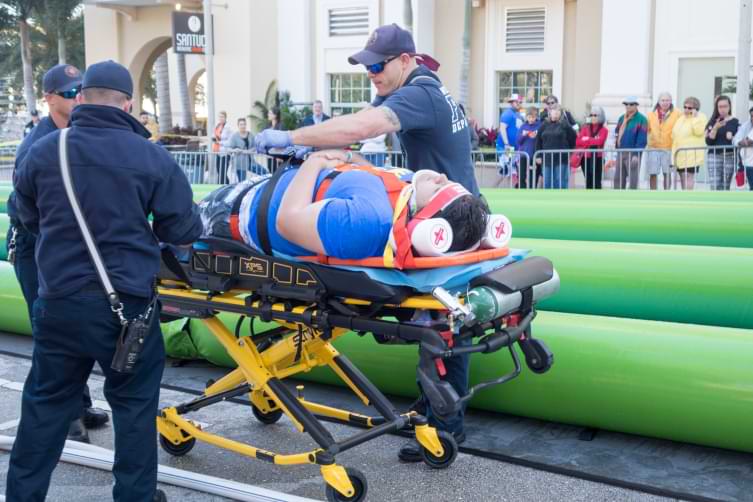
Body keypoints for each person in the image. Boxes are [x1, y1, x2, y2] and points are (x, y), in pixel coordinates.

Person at [253, 22, 479, 459]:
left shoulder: (419, 92)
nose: (371, 72)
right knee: (441, 321)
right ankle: (436, 408)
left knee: (441, 323)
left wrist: (295, 137)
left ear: (406, 61)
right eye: (366, 65)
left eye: (378, 65)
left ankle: (446, 427)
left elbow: (362, 124)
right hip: (450, 210)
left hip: (445, 220)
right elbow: (364, 123)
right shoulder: (421, 88)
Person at [7, 60, 203, 502]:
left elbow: (26, 217)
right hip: (127, 307)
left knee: (44, 406)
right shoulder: (150, 156)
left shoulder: (43, 151)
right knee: (133, 407)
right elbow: (183, 230)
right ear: (128, 103)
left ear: (82, 97)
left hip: (56, 300)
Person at [5, 64, 109, 444]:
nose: (77, 97)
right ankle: (65, 416)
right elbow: (21, 208)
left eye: (81, 90)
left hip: (68, 247)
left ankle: (79, 403)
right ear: (48, 98)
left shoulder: (81, 133)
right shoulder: (37, 144)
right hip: (37, 248)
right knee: (54, 334)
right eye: (68, 93)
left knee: (75, 329)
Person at [200, 150, 489, 260]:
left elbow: (287, 221)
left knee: (169, 225)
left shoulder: (367, 223)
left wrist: (313, 163)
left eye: (440, 186)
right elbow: (372, 176)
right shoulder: (407, 193)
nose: (439, 175)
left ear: (428, 220)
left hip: (232, 212)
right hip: (258, 191)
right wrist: (346, 158)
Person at [535, 104, 576, 189]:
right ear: (550, 112)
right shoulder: (544, 125)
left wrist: (570, 153)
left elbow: (573, 139)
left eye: (558, 111)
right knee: (547, 181)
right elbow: (538, 140)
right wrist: (538, 156)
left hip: (562, 158)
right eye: (554, 110)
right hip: (547, 158)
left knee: (560, 181)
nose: (556, 112)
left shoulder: (565, 124)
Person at [704, 95, 739, 191]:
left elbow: (738, 139)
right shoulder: (712, 121)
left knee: (725, 186)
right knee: (714, 185)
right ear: (716, 108)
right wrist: (715, 127)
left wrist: (732, 137)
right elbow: (708, 141)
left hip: (730, 156)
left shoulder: (735, 121)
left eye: (725, 106)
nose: (723, 109)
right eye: (720, 106)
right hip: (714, 155)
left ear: (729, 107)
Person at [646, 92, 680, 190]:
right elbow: (647, 129)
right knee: (653, 173)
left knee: (667, 173)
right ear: (659, 101)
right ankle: (653, 193)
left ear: (671, 101)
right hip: (653, 147)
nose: (665, 102)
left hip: (668, 147)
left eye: (667, 100)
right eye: (663, 100)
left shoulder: (677, 113)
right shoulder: (651, 114)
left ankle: (666, 193)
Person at [672, 97, 707, 191]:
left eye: (690, 108)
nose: (687, 109)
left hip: (692, 155)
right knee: (683, 177)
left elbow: (699, 132)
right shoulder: (681, 118)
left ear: (696, 109)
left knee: (688, 176)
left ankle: (689, 197)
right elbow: (675, 134)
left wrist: (695, 118)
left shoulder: (701, 117)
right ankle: (684, 197)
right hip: (680, 155)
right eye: (685, 107)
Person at [613, 96, 648, 190]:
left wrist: (636, 154)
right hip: (620, 152)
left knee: (633, 179)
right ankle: (618, 199)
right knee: (618, 178)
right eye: (626, 104)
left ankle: (632, 199)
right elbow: (616, 132)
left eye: (631, 104)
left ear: (636, 105)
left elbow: (642, 139)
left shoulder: (642, 119)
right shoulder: (621, 118)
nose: (628, 106)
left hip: (633, 153)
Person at [575, 106, 608, 189]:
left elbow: (600, 141)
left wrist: (587, 139)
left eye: (595, 115)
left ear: (600, 116)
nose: (593, 117)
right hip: (586, 158)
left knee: (597, 182)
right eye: (592, 115)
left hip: (598, 158)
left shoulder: (604, 130)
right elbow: (578, 141)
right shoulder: (585, 128)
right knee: (588, 181)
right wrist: (593, 140)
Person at [496, 94, 523, 183]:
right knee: (505, 170)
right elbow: (502, 128)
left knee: (512, 171)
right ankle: (491, 190)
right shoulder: (507, 114)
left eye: (520, 102)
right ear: (512, 103)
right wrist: (507, 144)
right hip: (507, 147)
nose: (519, 103)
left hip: (514, 148)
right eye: (517, 101)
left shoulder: (518, 115)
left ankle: (510, 191)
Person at [226, 117, 264, 181]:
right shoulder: (234, 136)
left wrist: (249, 151)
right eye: (241, 124)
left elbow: (255, 146)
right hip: (240, 163)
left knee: (265, 173)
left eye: (244, 124)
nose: (243, 126)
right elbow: (228, 148)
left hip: (250, 161)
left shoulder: (250, 135)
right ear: (238, 125)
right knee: (242, 181)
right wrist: (234, 150)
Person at [516, 106, 541, 189]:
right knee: (521, 176)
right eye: (529, 117)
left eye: (533, 117)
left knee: (533, 176)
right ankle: (522, 191)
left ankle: (532, 191)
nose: (531, 119)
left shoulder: (539, 126)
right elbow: (518, 141)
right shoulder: (523, 126)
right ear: (526, 117)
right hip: (524, 155)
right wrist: (523, 135)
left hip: (534, 155)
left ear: (536, 117)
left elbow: (541, 140)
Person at [732, 105, 753, 190]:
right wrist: (742, 142)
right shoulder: (746, 125)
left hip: (749, 163)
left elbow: (749, 141)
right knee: (744, 188)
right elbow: (736, 140)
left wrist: (746, 141)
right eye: (752, 116)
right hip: (746, 163)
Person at [213, 110, 232, 183]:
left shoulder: (228, 127)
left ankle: (225, 186)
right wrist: (214, 140)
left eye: (222, 117)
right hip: (218, 152)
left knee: (223, 172)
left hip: (225, 153)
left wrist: (220, 142)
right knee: (219, 171)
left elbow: (230, 141)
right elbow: (215, 135)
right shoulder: (217, 126)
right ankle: (224, 186)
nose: (221, 118)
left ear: (225, 117)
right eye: (220, 117)